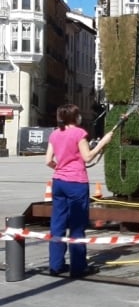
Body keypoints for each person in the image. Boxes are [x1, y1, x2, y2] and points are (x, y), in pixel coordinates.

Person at [45, 104, 114, 277]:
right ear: (75, 117)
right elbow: (88, 157)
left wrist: (60, 168)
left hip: (58, 182)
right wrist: (103, 142)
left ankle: (56, 265)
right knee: (77, 225)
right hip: (76, 182)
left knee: (57, 223)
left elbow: (48, 160)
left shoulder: (55, 134)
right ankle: (78, 267)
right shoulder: (79, 133)